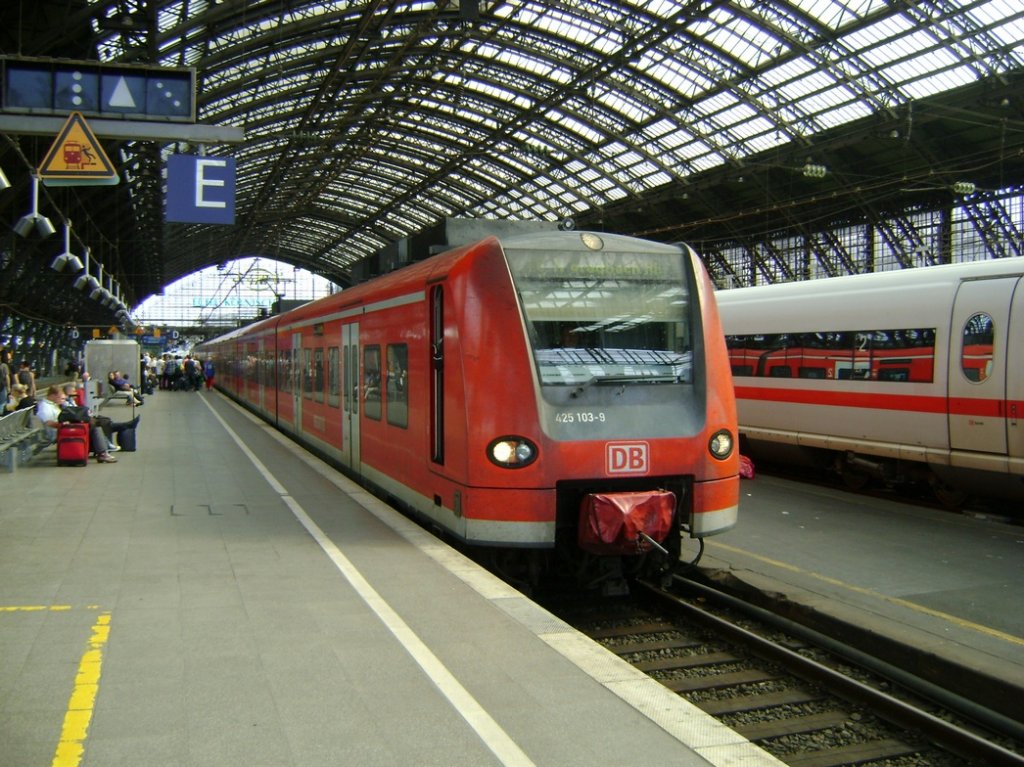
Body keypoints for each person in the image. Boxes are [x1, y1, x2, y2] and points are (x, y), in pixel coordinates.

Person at [35, 385, 117, 463]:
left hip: (63, 428)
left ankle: (102, 450)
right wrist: (64, 425)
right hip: (59, 430)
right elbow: (49, 423)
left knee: (92, 424)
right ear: (52, 396)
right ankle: (103, 451)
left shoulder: (53, 404)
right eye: (59, 397)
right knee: (93, 427)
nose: (61, 400)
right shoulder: (45, 407)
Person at [61, 384, 139, 451]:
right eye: (73, 391)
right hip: (78, 423)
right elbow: (72, 414)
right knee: (103, 423)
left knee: (105, 420)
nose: (75, 393)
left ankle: (111, 439)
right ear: (68, 392)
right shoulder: (66, 403)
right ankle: (111, 440)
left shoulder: (71, 400)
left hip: (81, 419)